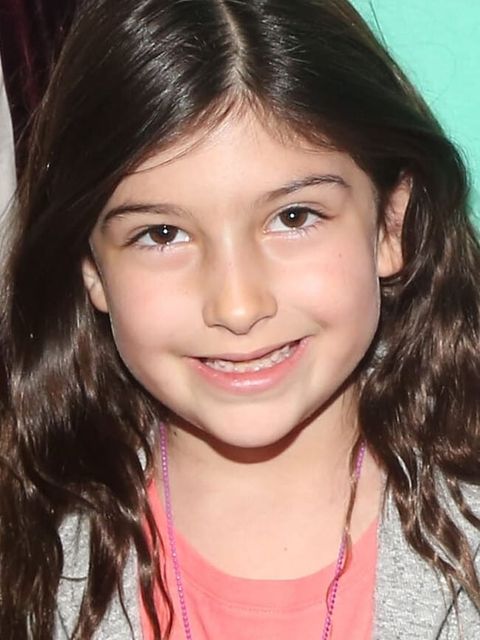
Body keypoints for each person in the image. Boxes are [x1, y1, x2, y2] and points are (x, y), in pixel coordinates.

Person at [1, 0, 480, 638]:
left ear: (390, 226)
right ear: (91, 267)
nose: (237, 306)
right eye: (162, 233)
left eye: (293, 217)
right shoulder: (30, 546)